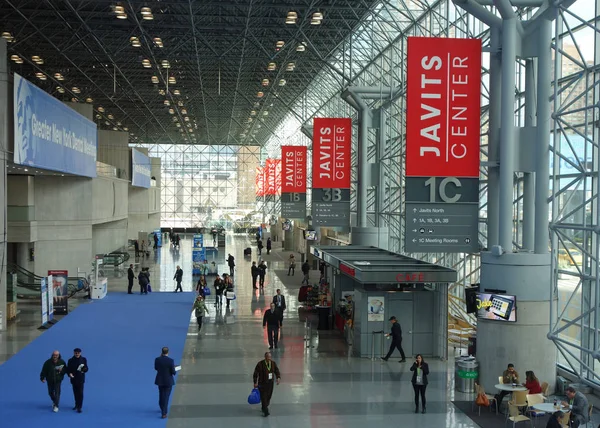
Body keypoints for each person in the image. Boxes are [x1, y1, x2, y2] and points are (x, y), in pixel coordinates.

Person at [253, 352, 281, 417]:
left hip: (270, 383)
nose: (269, 358)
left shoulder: (273, 364)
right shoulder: (260, 364)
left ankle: (264, 406)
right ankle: (266, 411)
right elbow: (255, 374)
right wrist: (255, 382)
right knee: (263, 397)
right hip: (262, 383)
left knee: (268, 396)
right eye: (268, 357)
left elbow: (277, 371)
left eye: (270, 357)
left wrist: (278, 377)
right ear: (265, 357)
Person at [155, 347, 176, 419]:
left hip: (160, 380)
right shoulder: (171, 361)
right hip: (168, 381)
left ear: (162, 352)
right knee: (166, 397)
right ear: (168, 352)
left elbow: (156, 368)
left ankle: (161, 407)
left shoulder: (157, 359)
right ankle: (164, 413)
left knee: (161, 394)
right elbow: (173, 372)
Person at [66, 348, 88, 413]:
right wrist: (69, 374)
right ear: (74, 353)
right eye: (76, 353)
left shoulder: (84, 359)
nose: (77, 354)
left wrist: (84, 369)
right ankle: (76, 404)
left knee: (80, 393)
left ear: (80, 353)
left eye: (78, 353)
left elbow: (86, 368)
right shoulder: (70, 360)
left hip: (81, 379)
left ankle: (79, 407)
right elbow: (68, 369)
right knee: (75, 393)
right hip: (73, 379)